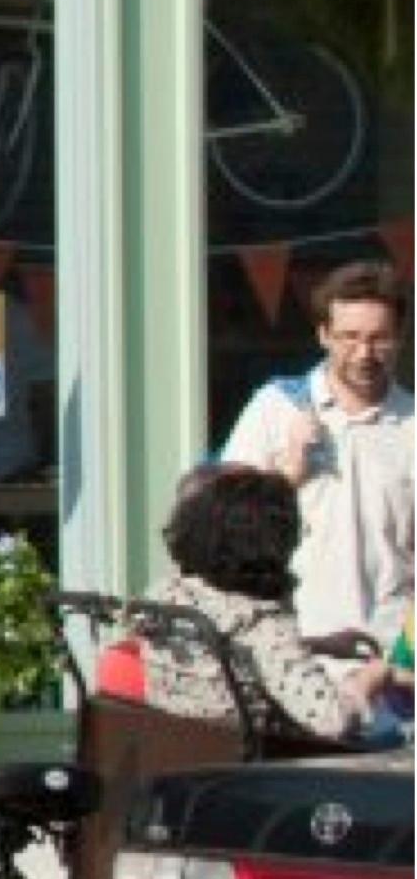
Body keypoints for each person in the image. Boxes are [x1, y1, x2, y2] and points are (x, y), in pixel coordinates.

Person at [218, 259, 412, 658]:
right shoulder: (276, 407)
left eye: (379, 338)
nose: (364, 353)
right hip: (291, 647)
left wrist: (402, 658)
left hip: (389, 657)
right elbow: (222, 527)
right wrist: (287, 475)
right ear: (323, 335)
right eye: (349, 337)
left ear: (402, 337)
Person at [143, 465, 392, 746]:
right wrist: (373, 677)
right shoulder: (262, 624)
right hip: (255, 770)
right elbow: (332, 719)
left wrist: (320, 645)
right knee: (390, 734)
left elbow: (226, 653)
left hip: (177, 753)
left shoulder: (170, 598)